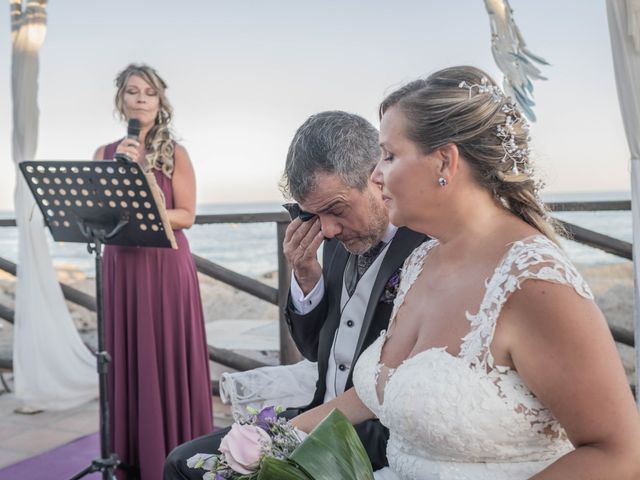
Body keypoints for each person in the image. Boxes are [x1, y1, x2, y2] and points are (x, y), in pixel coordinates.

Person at [292, 66, 640, 479]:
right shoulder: (422, 262)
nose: (376, 176)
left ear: (445, 161)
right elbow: (374, 393)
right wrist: (273, 437)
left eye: (388, 155)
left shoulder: (533, 282)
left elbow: (619, 454)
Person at [163, 111, 426, 479]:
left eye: (336, 210)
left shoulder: (427, 243)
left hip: (379, 434)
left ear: (376, 176)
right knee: (182, 463)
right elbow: (313, 351)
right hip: (318, 413)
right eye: (314, 215)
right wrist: (305, 276)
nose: (328, 230)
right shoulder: (334, 235)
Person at [94, 63, 213, 480]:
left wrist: (141, 175)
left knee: (165, 354)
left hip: (165, 265)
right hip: (121, 265)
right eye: (132, 91)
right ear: (121, 100)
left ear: (160, 101)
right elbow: (99, 212)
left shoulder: (174, 153)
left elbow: (186, 214)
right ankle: (130, 458)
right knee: (125, 356)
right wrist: (117, 174)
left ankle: (177, 455)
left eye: (149, 92)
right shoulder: (104, 153)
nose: (141, 98)